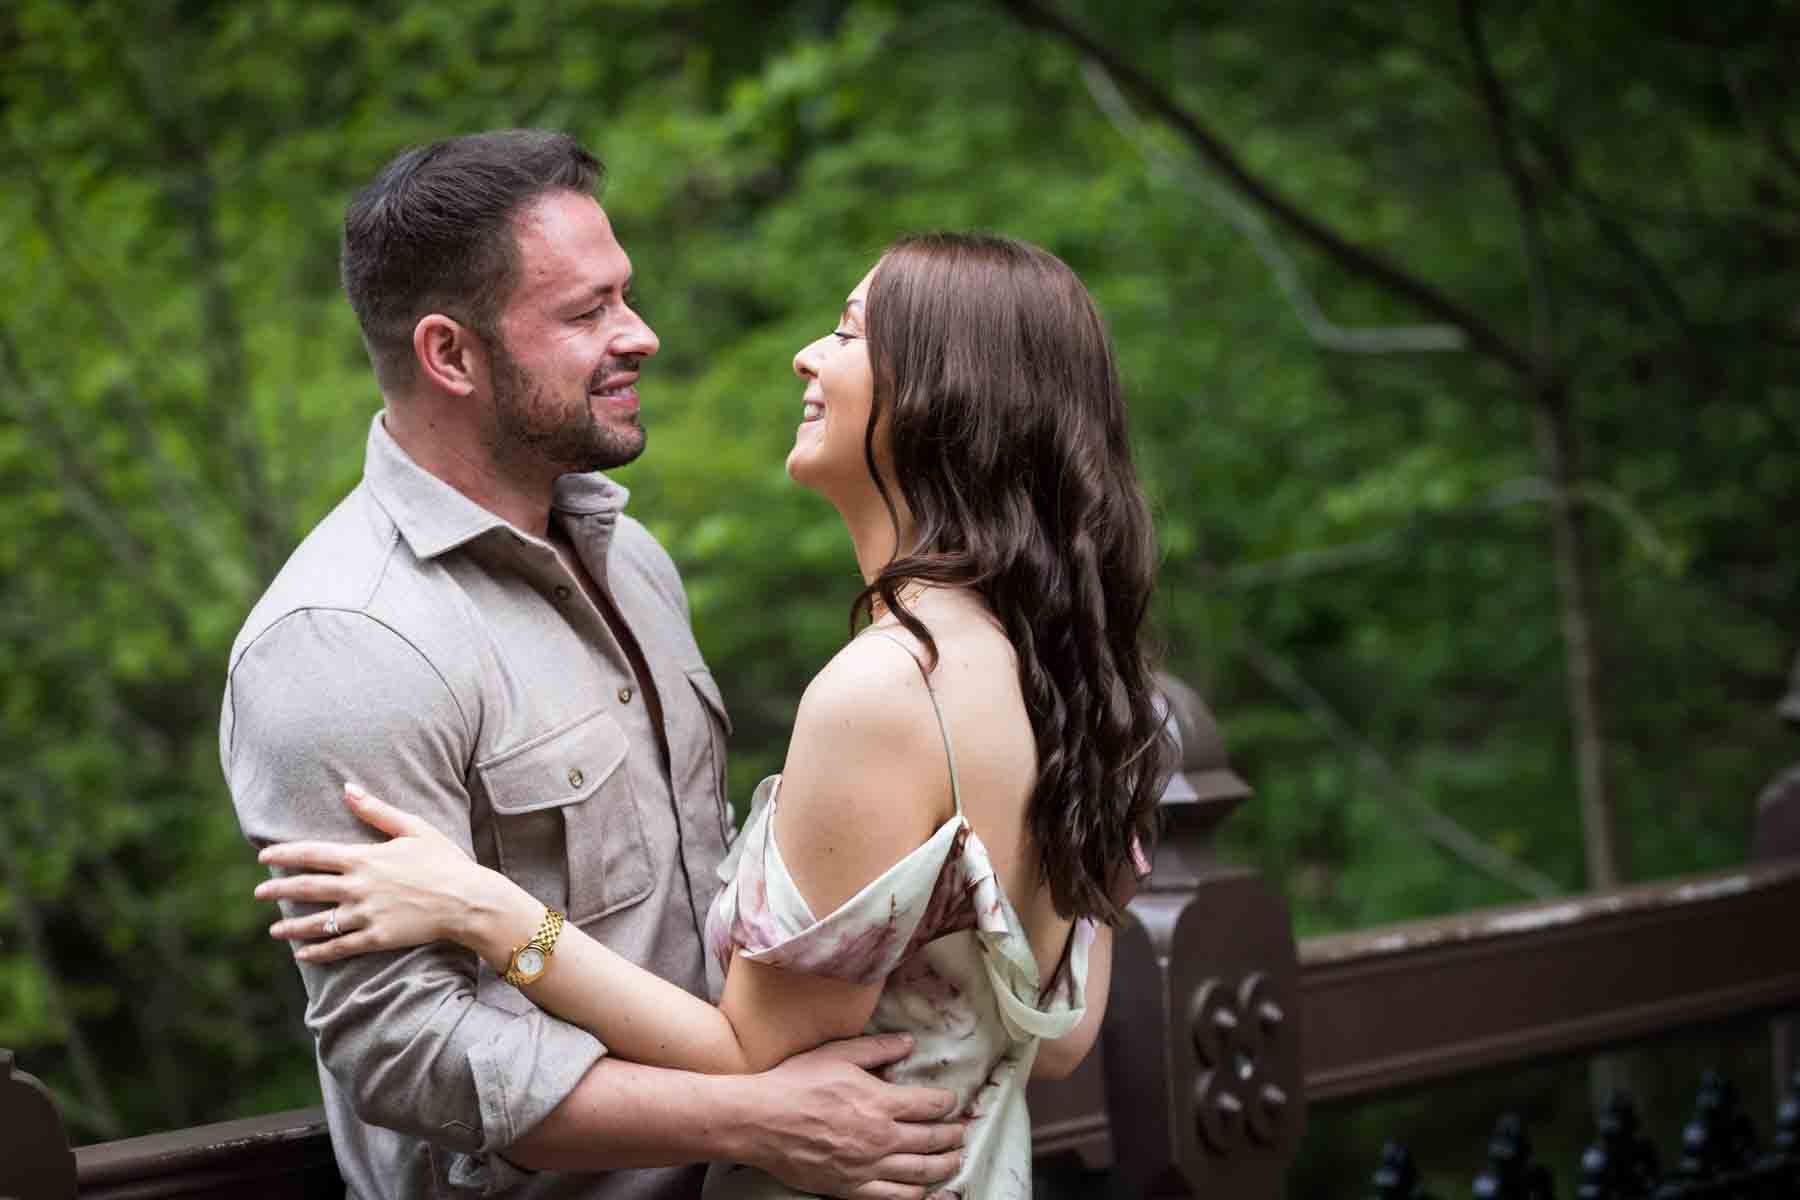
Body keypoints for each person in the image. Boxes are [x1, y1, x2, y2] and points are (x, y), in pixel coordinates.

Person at [252, 230, 1175, 1199]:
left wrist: (487, 912)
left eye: (850, 333)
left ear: (948, 397)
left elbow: (745, 1052)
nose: (808, 355)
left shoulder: (886, 694)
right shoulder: (1073, 676)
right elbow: (1061, 1038)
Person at [221, 130, 967, 1200]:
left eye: (626, 296)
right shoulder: (344, 641)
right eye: (587, 314)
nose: (643, 335)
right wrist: (755, 1119)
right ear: (452, 356)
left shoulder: (635, 556)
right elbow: (404, 1048)